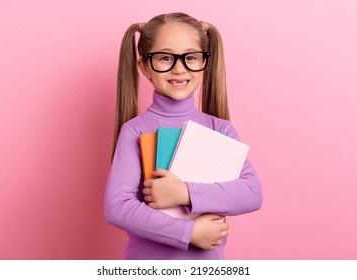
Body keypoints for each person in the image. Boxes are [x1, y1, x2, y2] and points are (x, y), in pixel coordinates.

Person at [104, 12, 262, 260]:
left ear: (204, 62)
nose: (179, 68)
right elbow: (118, 208)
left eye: (190, 57)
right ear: (145, 66)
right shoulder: (135, 130)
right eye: (165, 57)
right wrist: (188, 232)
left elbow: (252, 193)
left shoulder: (221, 129)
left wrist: (184, 193)